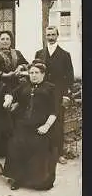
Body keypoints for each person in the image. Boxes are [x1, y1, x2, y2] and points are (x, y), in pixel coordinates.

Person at [4, 62, 58, 191]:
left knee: (38, 148)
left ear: (43, 74)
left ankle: (36, 181)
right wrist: (8, 99)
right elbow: (11, 93)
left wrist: (46, 126)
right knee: (16, 144)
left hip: (41, 126)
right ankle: (18, 178)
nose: (33, 75)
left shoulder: (51, 88)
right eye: (31, 73)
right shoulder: (24, 86)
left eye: (36, 73)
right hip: (23, 124)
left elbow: (55, 111)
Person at [35, 26, 74, 164]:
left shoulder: (65, 54)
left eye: (53, 34)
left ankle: (59, 154)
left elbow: (69, 77)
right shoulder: (39, 53)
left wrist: (66, 95)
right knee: (41, 120)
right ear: (45, 36)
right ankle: (43, 152)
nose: (50, 37)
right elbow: (34, 73)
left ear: (57, 36)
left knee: (58, 122)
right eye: (48, 34)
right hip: (43, 93)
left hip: (58, 94)